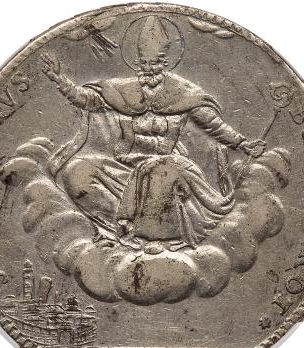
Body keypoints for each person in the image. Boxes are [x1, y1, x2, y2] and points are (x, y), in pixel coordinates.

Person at [41, 16, 265, 252]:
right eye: (144, 63)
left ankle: (157, 235)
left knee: (158, 171)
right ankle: (115, 230)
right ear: (137, 63)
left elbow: (213, 125)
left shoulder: (182, 93)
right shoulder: (122, 90)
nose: (148, 68)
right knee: (77, 171)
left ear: (165, 62)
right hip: (125, 164)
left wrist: (243, 144)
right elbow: (87, 100)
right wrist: (59, 79)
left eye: (155, 63)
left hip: (169, 165)